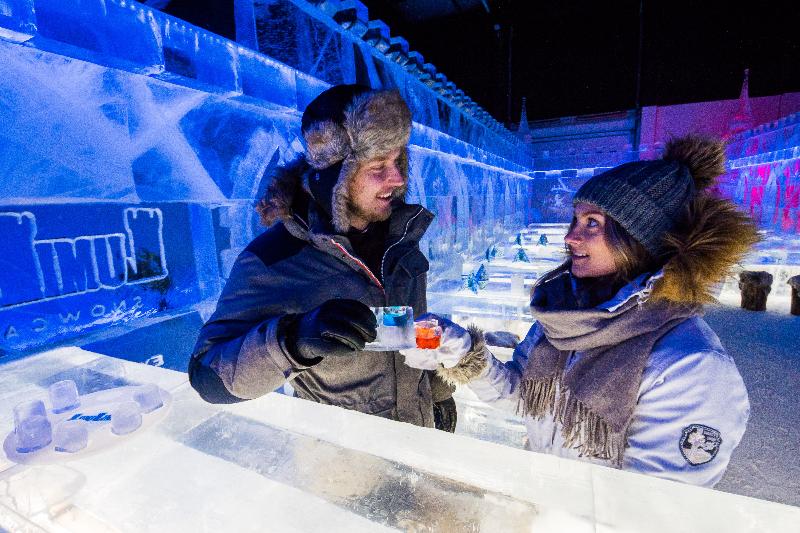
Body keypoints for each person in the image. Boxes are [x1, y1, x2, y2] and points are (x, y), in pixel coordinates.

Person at [402, 135, 759, 486]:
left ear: (640, 239)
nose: (570, 237)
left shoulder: (691, 365)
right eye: (575, 220)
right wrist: (463, 352)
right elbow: (525, 399)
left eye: (593, 223)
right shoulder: (563, 320)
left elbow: (655, 506)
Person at [189, 84, 457, 431]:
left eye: (397, 161)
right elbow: (208, 375)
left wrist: (438, 392)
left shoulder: (399, 237)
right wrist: (294, 341)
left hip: (417, 434)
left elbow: (414, 328)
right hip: (338, 455)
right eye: (378, 165)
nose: (397, 178)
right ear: (336, 177)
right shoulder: (274, 258)